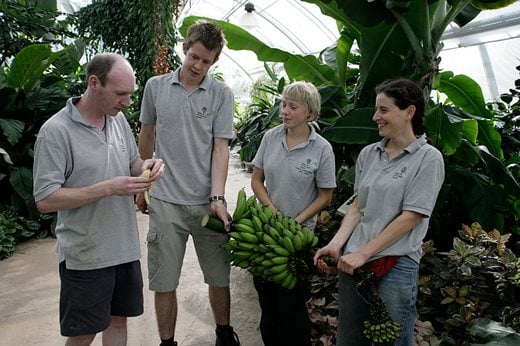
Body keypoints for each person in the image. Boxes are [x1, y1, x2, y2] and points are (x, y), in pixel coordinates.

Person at [32, 52, 165, 345]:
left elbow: (132, 161)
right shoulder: (56, 132)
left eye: (130, 94)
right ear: (94, 83)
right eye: (120, 94)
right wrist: (107, 188)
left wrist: (146, 166)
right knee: (84, 333)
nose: (127, 102)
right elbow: (45, 199)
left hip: (124, 247)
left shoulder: (116, 121)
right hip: (86, 254)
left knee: (118, 322)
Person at [313, 78, 445, 345]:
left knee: (392, 340)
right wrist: (336, 244)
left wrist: (365, 253)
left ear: (409, 112)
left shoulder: (428, 158)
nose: (376, 117)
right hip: (353, 262)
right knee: (349, 337)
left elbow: (411, 216)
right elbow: (359, 205)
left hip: (396, 264)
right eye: (376, 110)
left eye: (384, 110)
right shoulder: (369, 154)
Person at [137, 20, 239, 346]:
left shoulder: (222, 94)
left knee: (219, 275)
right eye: (194, 56)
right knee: (164, 279)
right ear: (184, 48)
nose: (198, 66)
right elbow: (147, 134)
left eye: (206, 61)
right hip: (165, 199)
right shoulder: (155, 87)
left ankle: (224, 333)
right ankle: (167, 342)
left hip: (206, 203)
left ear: (215, 62)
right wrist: (142, 184)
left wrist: (218, 196)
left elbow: (221, 148)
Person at [250, 81, 337, 345]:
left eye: (292, 106)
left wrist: (296, 221)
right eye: (284, 104)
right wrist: (271, 210)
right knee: (268, 308)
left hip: (298, 240)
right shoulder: (271, 137)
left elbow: (326, 195)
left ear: (309, 112)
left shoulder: (321, 148)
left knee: (292, 309)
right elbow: (257, 180)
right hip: (266, 232)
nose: (284, 111)